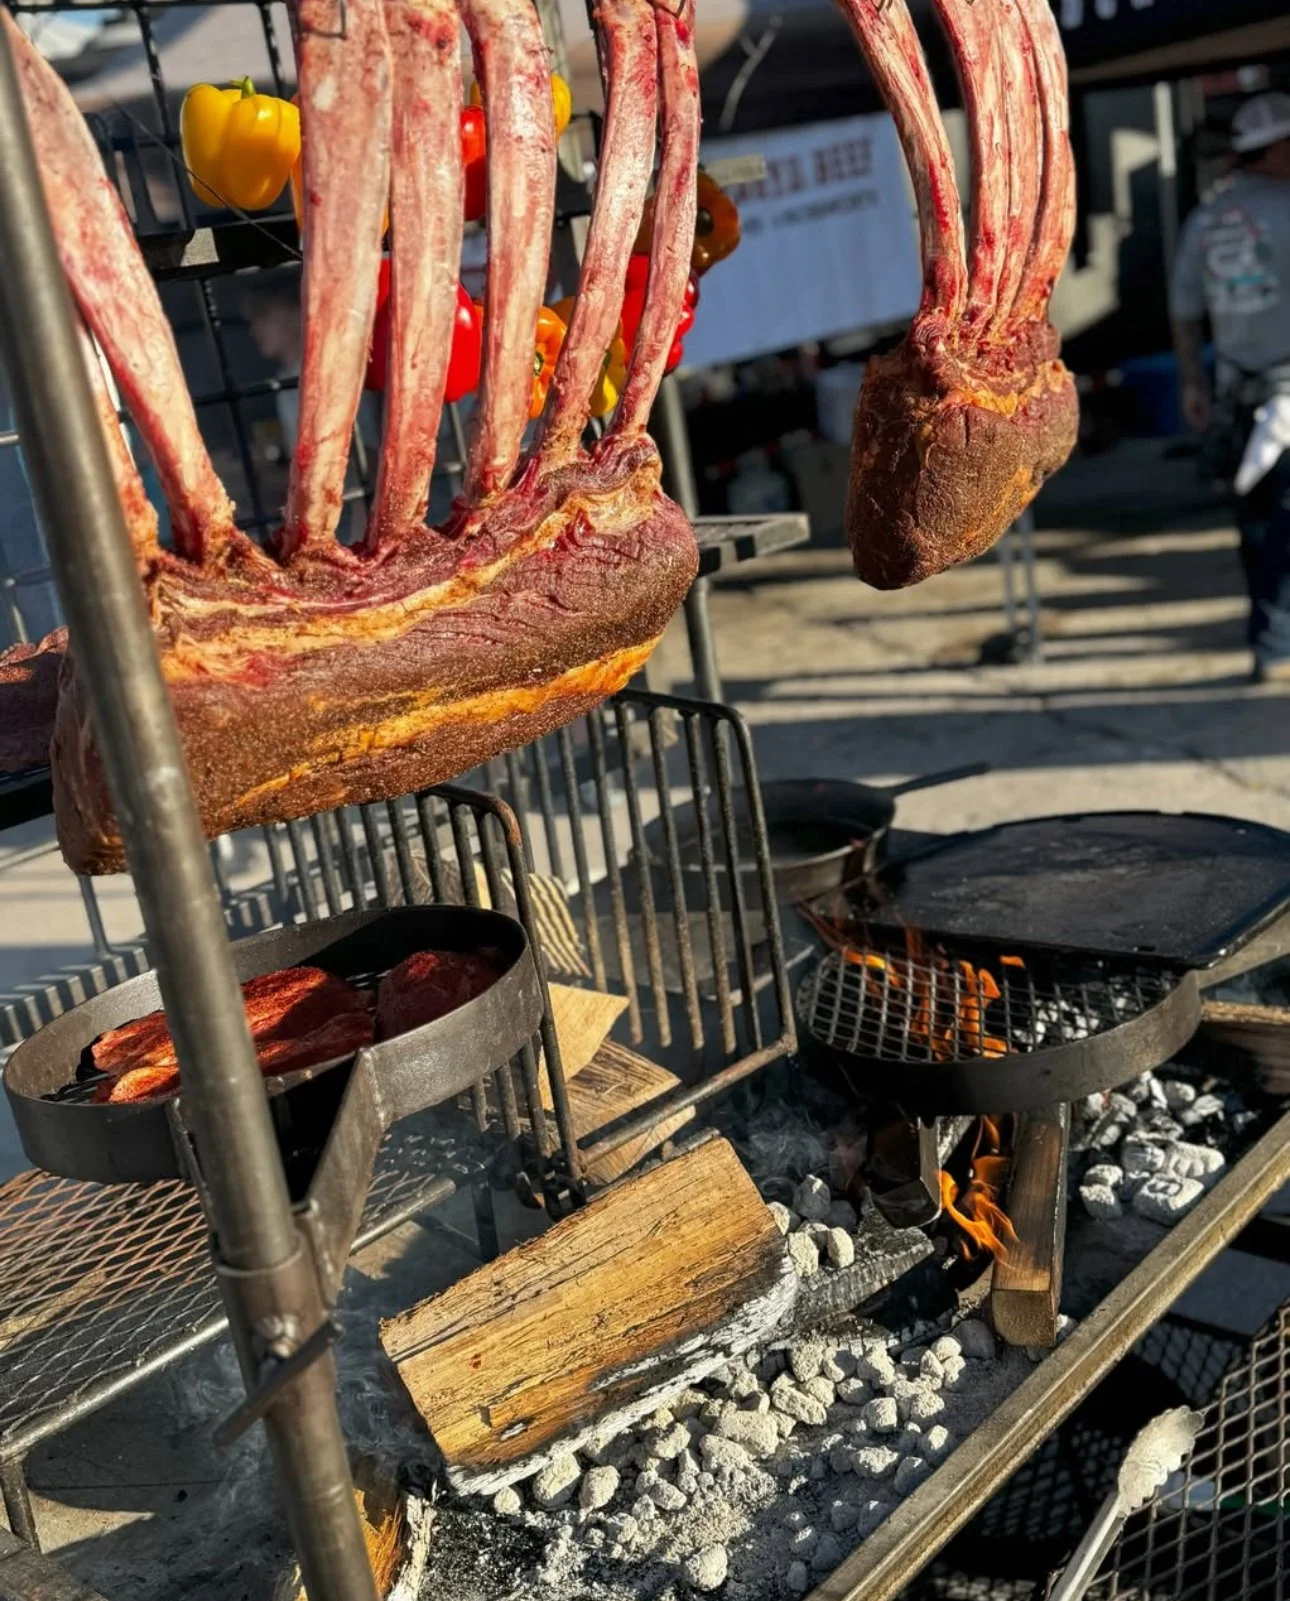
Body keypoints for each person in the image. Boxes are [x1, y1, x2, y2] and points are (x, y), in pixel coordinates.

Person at [1171, 92, 1290, 683]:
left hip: (1234, 395)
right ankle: (1273, 642)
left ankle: (1267, 640)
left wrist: (1193, 382)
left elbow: (1185, 311)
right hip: (1284, 397)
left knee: (1256, 524)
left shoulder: (1204, 220)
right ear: (1272, 150)